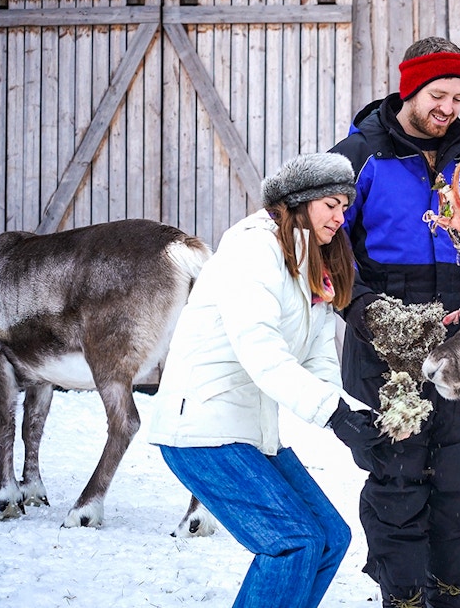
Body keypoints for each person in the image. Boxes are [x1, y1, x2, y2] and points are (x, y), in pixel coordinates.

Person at [326, 36, 460, 608]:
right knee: (397, 474)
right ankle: (405, 596)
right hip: (384, 334)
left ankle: (448, 590)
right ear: (410, 90)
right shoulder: (359, 155)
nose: (449, 108)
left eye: (459, 97)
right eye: (439, 94)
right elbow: (329, 248)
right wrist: (363, 309)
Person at [147, 152, 380, 608]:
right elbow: (260, 351)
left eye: (344, 205)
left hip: (248, 431)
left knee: (328, 537)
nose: (340, 215)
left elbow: (315, 358)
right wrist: (331, 414)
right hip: (201, 430)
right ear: (300, 201)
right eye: (330, 204)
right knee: (292, 544)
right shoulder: (253, 251)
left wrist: (355, 419)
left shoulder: (310, 260)